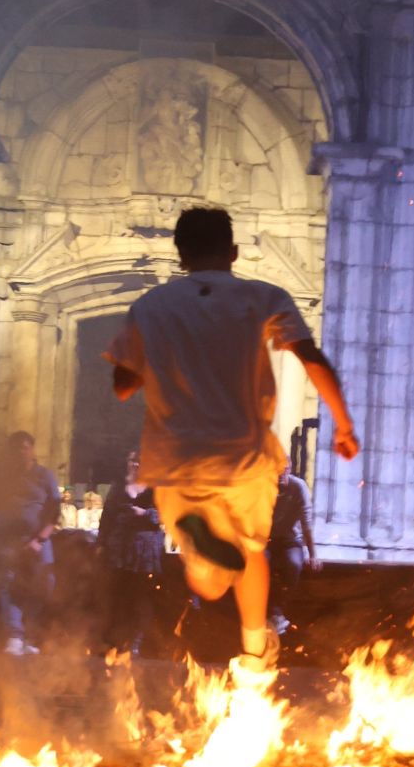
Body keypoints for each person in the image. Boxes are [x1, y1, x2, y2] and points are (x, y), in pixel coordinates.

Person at [107, 205, 359, 672]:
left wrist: (163, 363)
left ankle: (202, 552)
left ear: (180, 255)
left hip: (178, 457)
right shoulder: (263, 296)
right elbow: (313, 359)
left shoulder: (150, 307)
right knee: (253, 551)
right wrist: (344, 425)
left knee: (207, 582)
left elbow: (122, 386)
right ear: (234, 252)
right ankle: (254, 650)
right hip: (244, 454)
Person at [0, 431, 60, 657]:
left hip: (38, 541)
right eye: (16, 449)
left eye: (24, 447)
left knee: (44, 583)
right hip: (10, 541)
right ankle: (15, 636)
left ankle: (31, 634)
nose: (20, 452)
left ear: (32, 449)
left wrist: (39, 539)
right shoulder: (4, 478)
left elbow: (54, 512)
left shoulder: (44, 476)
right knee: (8, 583)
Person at [99, 451, 164, 659]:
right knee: (118, 595)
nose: (135, 465)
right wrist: (101, 543)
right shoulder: (118, 487)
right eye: (132, 461)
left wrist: (144, 514)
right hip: (120, 550)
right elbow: (107, 516)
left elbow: (165, 515)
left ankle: (136, 641)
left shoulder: (155, 488)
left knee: (139, 597)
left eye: (139, 462)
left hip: (144, 552)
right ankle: (115, 641)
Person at [267, 460, 319, 637]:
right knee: (258, 566)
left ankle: (278, 610)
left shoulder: (298, 487)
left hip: (290, 541)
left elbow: (306, 522)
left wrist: (313, 554)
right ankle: (263, 612)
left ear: (289, 469)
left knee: (294, 564)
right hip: (266, 540)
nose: (280, 474)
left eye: (284, 470)